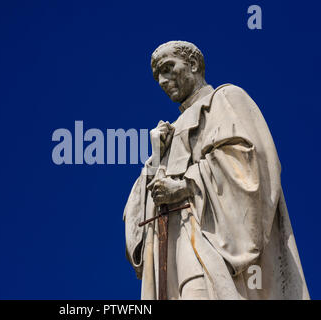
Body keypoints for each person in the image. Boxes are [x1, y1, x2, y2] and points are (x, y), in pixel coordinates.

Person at [123, 41, 309, 299]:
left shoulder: (226, 98)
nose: (163, 81)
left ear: (194, 65)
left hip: (207, 240)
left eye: (168, 68)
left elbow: (249, 162)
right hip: (172, 251)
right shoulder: (167, 133)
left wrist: (187, 185)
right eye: (157, 77)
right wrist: (156, 156)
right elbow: (137, 220)